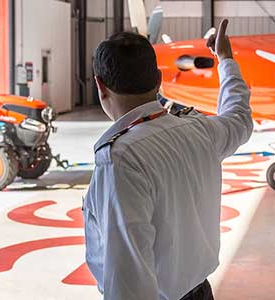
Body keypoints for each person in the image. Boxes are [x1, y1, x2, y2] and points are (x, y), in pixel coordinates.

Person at [84, 19, 252, 300]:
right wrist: (225, 60)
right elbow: (239, 117)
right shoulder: (200, 130)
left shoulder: (121, 159)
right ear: (159, 80)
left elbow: (130, 281)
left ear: (100, 86)